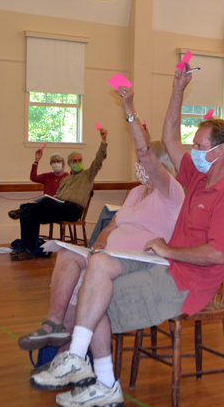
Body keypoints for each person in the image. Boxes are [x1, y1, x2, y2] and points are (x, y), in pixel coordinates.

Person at [29, 62, 224, 407]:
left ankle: (95, 376)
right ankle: (85, 367)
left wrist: (168, 248)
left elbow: (216, 256)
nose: (190, 150)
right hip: (166, 267)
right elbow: (167, 137)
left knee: (95, 297)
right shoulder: (195, 179)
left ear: (219, 151)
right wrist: (176, 88)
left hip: (187, 283)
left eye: (199, 145)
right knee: (95, 270)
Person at [20, 87, 183, 360]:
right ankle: (55, 323)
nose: (139, 165)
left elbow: (145, 154)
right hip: (110, 255)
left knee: (86, 278)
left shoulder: (171, 191)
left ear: (161, 163)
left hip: (141, 262)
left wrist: (130, 109)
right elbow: (111, 226)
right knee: (68, 253)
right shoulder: (135, 193)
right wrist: (98, 243)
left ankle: (69, 353)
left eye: (145, 162)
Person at [11, 129, 108, 261]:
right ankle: (27, 250)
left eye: (80, 160)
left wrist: (103, 141)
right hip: (60, 207)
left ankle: (25, 210)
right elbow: (57, 197)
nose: (78, 162)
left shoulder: (88, 175)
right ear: (69, 163)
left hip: (73, 210)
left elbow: (98, 161)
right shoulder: (66, 179)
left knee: (43, 204)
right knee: (30, 213)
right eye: (75, 161)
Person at [8, 150, 69, 222]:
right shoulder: (48, 176)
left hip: (59, 207)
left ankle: (24, 211)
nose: (56, 163)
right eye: (53, 162)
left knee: (30, 209)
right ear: (51, 164)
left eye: (58, 161)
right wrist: (36, 161)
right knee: (25, 208)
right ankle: (26, 233)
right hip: (45, 207)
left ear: (62, 163)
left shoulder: (67, 177)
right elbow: (33, 177)